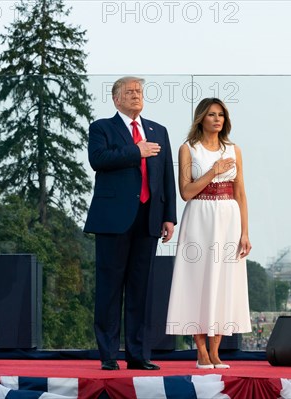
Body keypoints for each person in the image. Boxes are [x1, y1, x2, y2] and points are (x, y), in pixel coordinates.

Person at [84, 76, 177, 371]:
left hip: (149, 219)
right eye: (130, 91)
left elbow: (166, 177)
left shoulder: (158, 131)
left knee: (141, 291)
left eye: (139, 91)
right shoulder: (102, 127)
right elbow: (98, 159)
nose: (137, 95)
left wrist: (169, 216)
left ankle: (138, 355)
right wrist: (136, 151)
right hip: (113, 220)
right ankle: (109, 355)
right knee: (109, 290)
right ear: (116, 99)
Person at [165, 97, 252, 369]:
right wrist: (214, 171)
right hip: (199, 216)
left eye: (221, 115)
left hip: (229, 218)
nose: (217, 119)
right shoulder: (188, 149)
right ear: (201, 118)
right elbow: (186, 192)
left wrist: (245, 232)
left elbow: (240, 192)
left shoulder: (234, 149)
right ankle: (201, 350)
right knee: (197, 280)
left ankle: (216, 351)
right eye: (212, 114)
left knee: (225, 280)